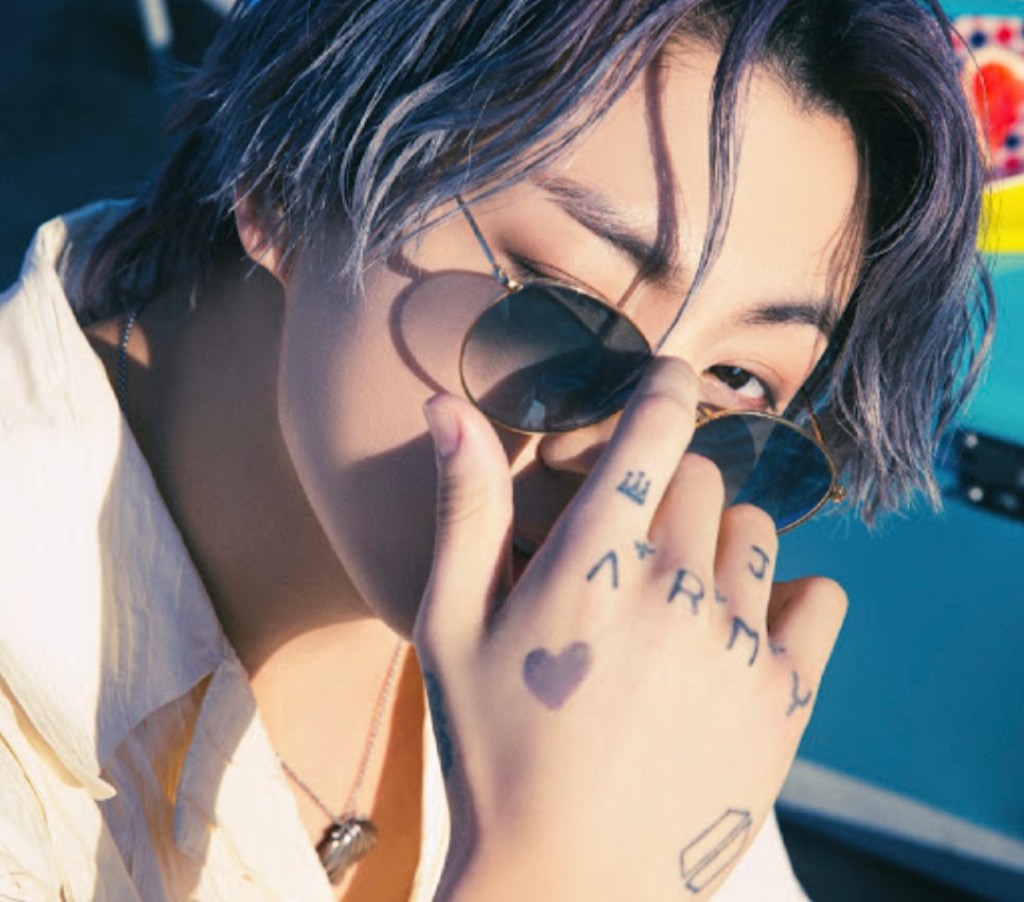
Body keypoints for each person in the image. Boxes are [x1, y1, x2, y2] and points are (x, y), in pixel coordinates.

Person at [0, 0, 992, 899]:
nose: (631, 462)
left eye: (736, 383)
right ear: (287, 179)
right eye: (565, 307)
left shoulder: (610, 643)